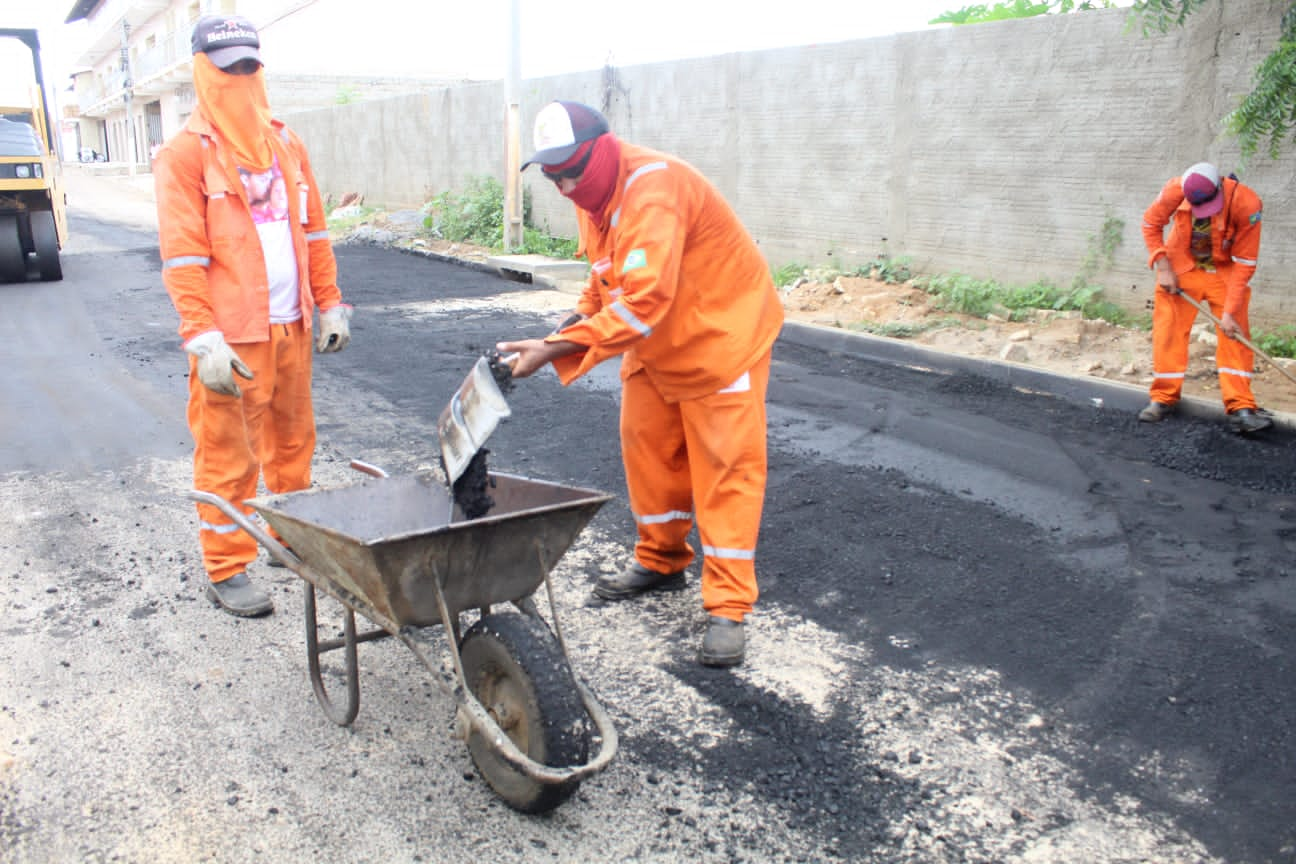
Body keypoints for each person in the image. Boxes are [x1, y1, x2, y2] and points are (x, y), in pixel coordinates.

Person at [496, 100, 784, 667]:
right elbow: (604, 289)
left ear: (602, 151)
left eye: (572, 171)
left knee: (725, 471)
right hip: (658, 344)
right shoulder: (593, 197)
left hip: (720, 337)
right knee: (648, 450)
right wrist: (557, 332)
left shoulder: (653, 189)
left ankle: (728, 606)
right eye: (553, 177)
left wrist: (554, 350)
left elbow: (647, 297)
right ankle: (661, 560)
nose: (564, 187)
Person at [153, 15, 353, 616]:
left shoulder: (287, 144)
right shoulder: (186, 156)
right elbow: (183, 256)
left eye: (249, 64)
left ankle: (288, 535)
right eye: (226, 67)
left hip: (290, 324)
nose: (240, 76)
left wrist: (330, 301)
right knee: (227, 455)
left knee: (293, 444)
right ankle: (226, 565)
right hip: (234, 339)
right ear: (202, 72)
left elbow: (315, 231)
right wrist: (202, 337)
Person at [1139, 162, 1270, 434]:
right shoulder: (1175, 190)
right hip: (1181, 267)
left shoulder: (1247, 204)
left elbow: (1245, 262)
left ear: (1220, 188)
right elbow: (1151, 224)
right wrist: (1163, 267)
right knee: (1169, 332)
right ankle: (1163, 398)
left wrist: (1230, 312)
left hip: (1224, 273)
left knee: (1233, 334)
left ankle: (1240, 408)